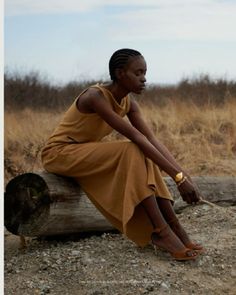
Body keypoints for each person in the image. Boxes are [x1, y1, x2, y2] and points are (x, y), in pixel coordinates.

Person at [41, 48, 204, 261]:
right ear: (119, 73)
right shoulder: (95, 96)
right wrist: (177, 178)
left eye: (145, 73)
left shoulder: (129, 103)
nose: (144, 79)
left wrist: (184, 176)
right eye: (138, 73)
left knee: (145, 152)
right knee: (132, 148)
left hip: (82, 153)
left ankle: (176, 229)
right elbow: (136, 138)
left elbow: (152, 140)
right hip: (59, 153)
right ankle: (161, 232)